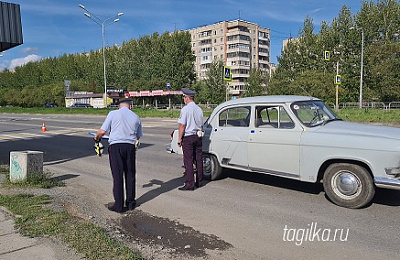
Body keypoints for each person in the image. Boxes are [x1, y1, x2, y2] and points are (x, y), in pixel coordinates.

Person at [94, 98, 143, 213]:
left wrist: (96, 138)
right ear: (130, 106)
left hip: (116, 147)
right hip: (130, 147)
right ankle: (131, 203)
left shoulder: (113, 114)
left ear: (119, 106)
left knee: (117, 175)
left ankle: (119, 205)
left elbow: (102, 131)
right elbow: (138, 136)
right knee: (130, 174)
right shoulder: (136, 117)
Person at [177, 88, 204, 190]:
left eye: (183, 97)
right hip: (198, 136)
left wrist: (179, 139)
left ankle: (189, 184)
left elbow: (182, 125)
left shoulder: (185, 109)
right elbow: (201, 125)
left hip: (188, 137)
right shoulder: (199, 109)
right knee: (198, 159)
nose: (183, 99)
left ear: (187, 98)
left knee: (188, 161)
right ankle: (200, 181)